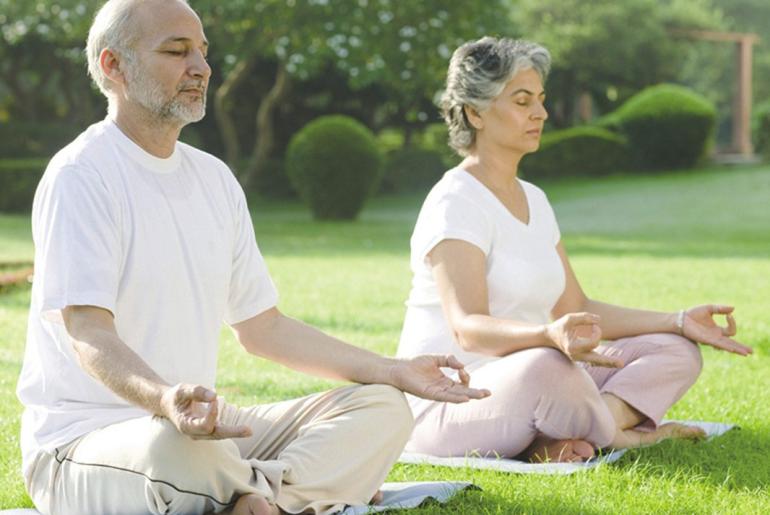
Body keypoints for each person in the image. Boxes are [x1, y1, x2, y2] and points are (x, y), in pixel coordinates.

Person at [15, 2, 490, 514]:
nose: (201, 67)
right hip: (90, 443)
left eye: (202, 51)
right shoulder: (82, 175)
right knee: (173, 451)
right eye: (177, 51)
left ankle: (257, 500)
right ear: (114, 67)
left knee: (382, 408)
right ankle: (293, 493)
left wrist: (393, 370)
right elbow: (88, 333)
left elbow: (263, 328)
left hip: (203, 432)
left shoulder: (214, 179)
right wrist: (163, 400)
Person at [396, 37, 753, 463]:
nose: (541, 113)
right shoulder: (456, 201)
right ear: (475, 112)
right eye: (523, 101)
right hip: (452, 399)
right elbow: (467, 328)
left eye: (541, 100)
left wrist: (677, 322)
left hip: (537, 377)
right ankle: (622, 435)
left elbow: (576, 306)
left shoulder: (535, 199)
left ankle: (580, 427)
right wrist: (546, 338)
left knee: (672, 349)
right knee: (547, 366)